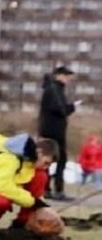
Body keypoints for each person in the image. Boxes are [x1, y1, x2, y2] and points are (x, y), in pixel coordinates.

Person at [0, 133, 58, 231]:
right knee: (0, 202)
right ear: (39, 152)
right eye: (46, 163)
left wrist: (41, 205)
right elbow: (2, 186)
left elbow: (34, 192)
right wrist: (32, 202)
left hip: (8, 190)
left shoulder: (28, 162)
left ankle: (20, 224)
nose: (45, 168)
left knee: (41, 176)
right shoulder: (10, 159)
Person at [39, 65, 79, 201]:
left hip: (51, 130)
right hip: (53, 131)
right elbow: (58, 109)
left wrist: (71, 107)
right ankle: (56, 190)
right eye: (66, 75)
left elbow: (61, 109)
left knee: (49, 161)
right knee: (58, 160)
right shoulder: (53, 90)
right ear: (58, 75)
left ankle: (47, 189)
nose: (68, 78)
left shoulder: (55, 89)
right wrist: (71, 107)